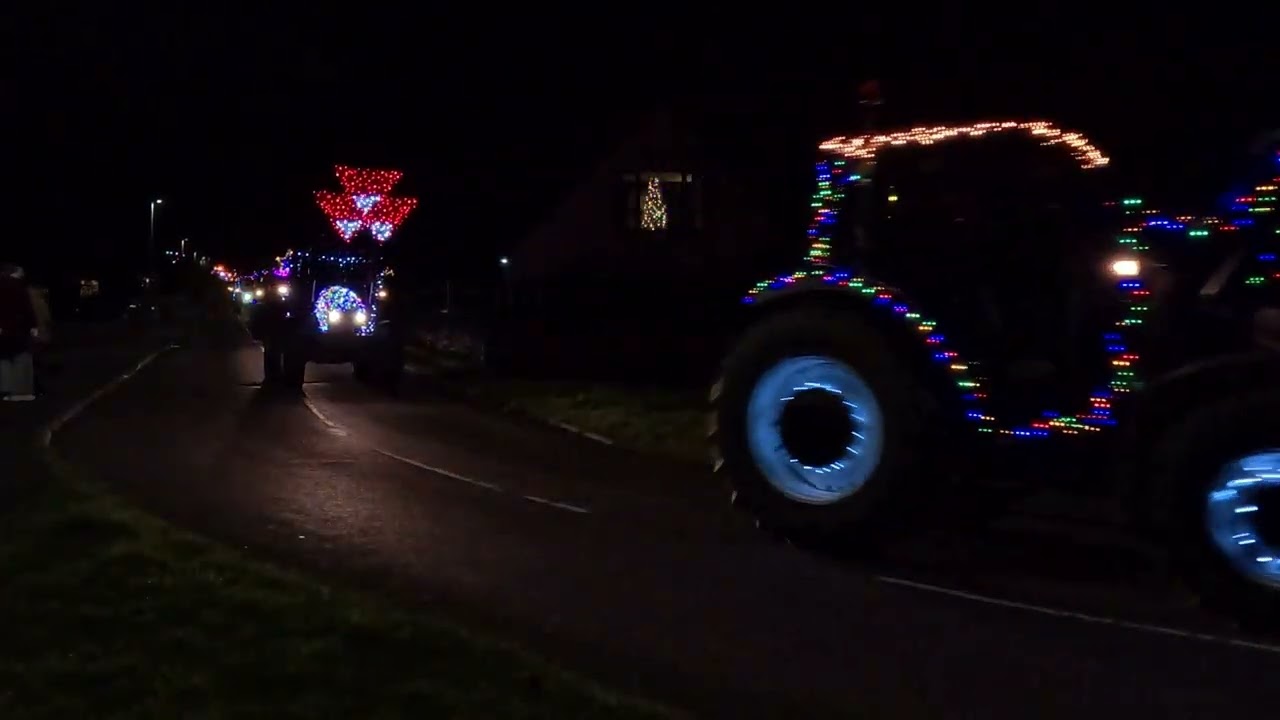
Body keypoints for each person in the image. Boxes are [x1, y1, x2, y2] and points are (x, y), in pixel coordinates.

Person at [0, 264, 37, 401]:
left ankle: (6, 389)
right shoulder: (18, 286)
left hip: (4, 328)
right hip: (18, 327)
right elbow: (26, 307)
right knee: (21, 358)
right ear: (15, 272)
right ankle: (21, 392)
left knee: (5, 359)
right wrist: (33, 325)